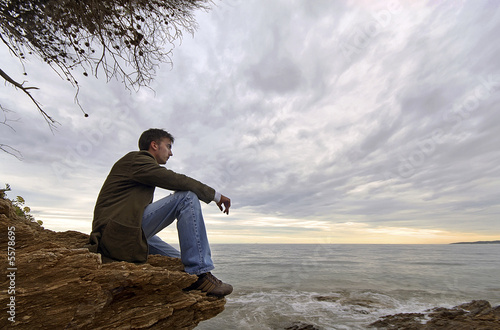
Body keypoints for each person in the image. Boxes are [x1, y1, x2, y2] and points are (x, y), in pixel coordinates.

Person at [87, 128, 233, 297]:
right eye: (168, 146)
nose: (171, 153)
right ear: (154, 145)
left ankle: (193, 277)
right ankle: (201, 274)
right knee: (186, 197)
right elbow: (174, 179)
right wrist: (215, 196)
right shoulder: (137, 160)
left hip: (123, 233)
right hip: (116, 235)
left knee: (180, 263)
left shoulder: (139, 167)